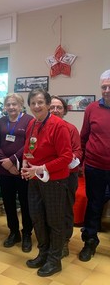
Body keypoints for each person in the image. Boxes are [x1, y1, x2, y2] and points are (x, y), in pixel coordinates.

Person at [21, 88, 72, 277]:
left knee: (54, 221)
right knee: (37, 217)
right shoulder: (33, 124)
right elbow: (28, 145)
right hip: (34, 178)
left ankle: (54, 260)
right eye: (33, 103)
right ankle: (43, 253)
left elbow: (66, 157)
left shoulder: (59, 126)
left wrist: (40, 168)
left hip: (54, 181)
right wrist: (25, 164)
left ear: (48, 104)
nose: (36, 106)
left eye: (40, 102)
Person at [0, 93, 33, 252]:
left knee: (25, 203)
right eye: (8, 104)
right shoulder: (1, 121)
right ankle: (14, 232)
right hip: (4, 169)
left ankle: (27, 233)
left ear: (21, 105)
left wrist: (14, 159)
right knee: (8, 203)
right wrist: (6, 163)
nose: (11, 107)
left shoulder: (29, 120)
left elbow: (30, 143)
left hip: (22, 168)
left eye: (14, 104)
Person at [78, 70, 110, 262]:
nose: (106, 90)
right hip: (94, 166)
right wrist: (82, 163)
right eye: (104, 87)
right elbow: (84, 137)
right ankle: (89, 241)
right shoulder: (91, 109)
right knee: (94, 204)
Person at [50, 95, 82, 258]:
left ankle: (64, 242)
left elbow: (78, 151)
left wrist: (64, 162)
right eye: (52, 107)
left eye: (59, 107)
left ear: (64, 110)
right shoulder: (43, 127)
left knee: (65, 209)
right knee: (50, 209)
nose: (55, 110)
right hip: (48, 175)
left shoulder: (70, 129)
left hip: (68, 175)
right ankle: (51, 240)